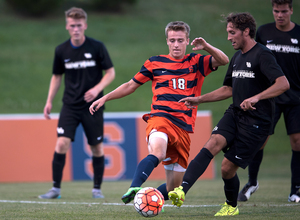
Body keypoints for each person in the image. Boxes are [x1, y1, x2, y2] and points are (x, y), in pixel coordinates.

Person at [89, 21, 229, 204]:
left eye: (180, 40)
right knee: (158, 152)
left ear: (187, 41)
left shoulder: (196, 62)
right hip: (160, 118)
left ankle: (146, 199)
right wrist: (105, 98)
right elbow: (131, 85)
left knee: (172, 188)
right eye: (172, 40)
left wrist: (207, 47)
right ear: (167, 41)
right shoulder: (155, 62)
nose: (176, 44)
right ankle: (134, 186)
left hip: (184, 128)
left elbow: (224, 60)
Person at [168, 12, 290, 216]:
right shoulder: (237, 57)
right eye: (228, 32)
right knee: (212, 143)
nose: (228, 37)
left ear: (246, 32)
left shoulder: (263, 55)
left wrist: (256, 97)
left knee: (226, 168)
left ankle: (231, 206)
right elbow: (228, 89)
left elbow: (283, 83)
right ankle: (181, 191)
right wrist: (199, 99)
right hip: (235, 113)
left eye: (232, 33)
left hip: (257, 122)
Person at [38, 7, 115, 199]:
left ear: (85, 25)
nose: (76, 29)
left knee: (96, 147)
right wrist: (49, 101)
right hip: (70, 106)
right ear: (67, 26)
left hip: (92, 106)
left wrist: (97, 89)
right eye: (72, 26)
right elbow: (56, 77)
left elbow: (110, 73)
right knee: (61, 143)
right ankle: (55, 189)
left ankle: (97, 189)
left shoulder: (97, 47)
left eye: (79, 25)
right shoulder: (61, 50)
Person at [238, 0, 300, 203]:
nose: (279, 15)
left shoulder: (298, 34)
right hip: (269, 98)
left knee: (297, 141)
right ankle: (252, 182)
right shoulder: (263, 33)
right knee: (260, 140)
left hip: (296, 98)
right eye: (276, 11)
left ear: (291, 10)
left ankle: (295, 190)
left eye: (283, 11)